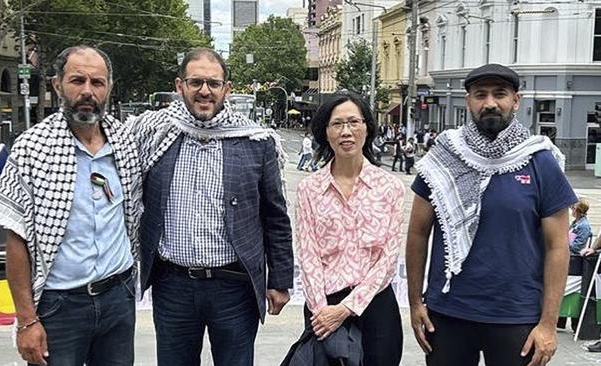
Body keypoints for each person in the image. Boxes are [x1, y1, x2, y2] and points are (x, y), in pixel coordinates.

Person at [406, 63, 577, 366]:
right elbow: (418, 232)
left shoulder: (540, 160)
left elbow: (558, 246)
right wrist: (415, 302)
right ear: (468, 99)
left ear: (516, 100)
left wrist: (549, 324)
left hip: (517, 318)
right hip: (448, 314)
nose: (490, 103)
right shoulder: (445, 155)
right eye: (480, 94)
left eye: (500, 94)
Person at [132, 48, 293, 366]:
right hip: (172, 286)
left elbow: (275, 216)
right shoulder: (154, 136)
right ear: (180, 86)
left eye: (213, 83)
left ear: (226, 89)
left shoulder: (255, 141)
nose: (204, 91)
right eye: (196, 82)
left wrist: (280, 280)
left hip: (234, 287)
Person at [0, 45, 142, 365]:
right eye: (77, 80)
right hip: (59, 306)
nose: (87, 91)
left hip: (118, 298)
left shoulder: (125, 142)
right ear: (58, 84)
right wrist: (27, 321)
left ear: (109, 87)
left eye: (97, 83)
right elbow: (16, 241)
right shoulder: (32, 148)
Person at [296, 92, 405, 365]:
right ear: (326, 132)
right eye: (337, 124)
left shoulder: (390, 188)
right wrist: (322, 311)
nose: (346, 132)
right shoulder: (309, 190)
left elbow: (388, 259)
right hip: (324, 305)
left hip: (376, 305)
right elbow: (307, 254)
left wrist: (346, 309)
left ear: (367, 128)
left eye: (354, 122)